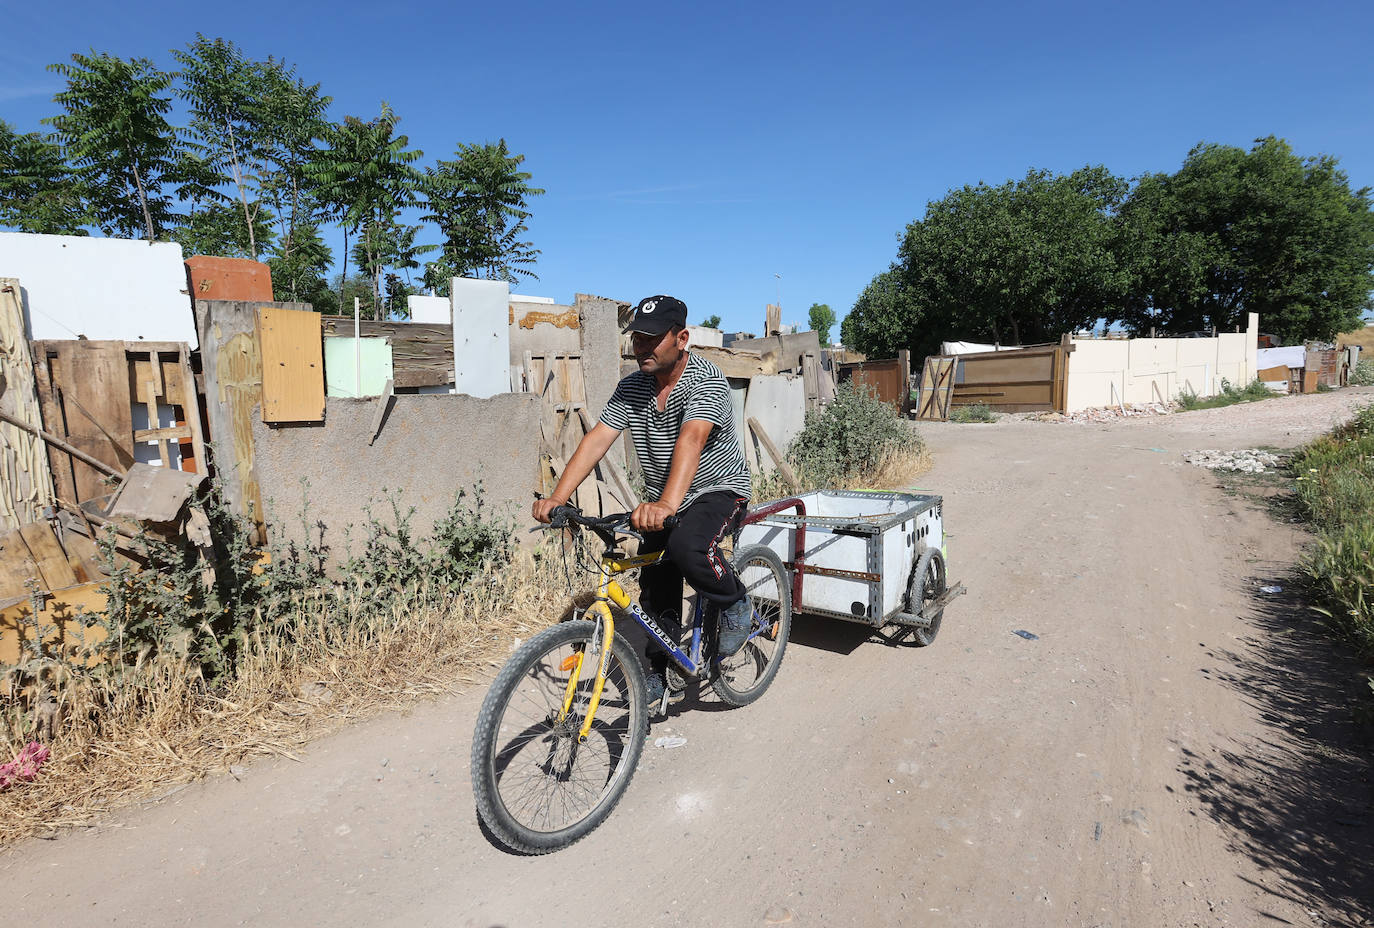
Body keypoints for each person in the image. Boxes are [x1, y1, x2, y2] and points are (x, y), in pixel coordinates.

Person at [532, 295, 754, 704]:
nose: (641, 348)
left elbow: (692, 439)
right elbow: (599, 436)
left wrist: (668, 506)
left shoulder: (707, 380)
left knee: (688, 548)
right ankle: (658, 668)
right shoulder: (632, 386)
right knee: (653, 578)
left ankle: (737, 602)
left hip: (718, 490)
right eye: (636, 338)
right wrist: (558, 497)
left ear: (682, 338)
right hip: (664, 499)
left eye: (652, 339)